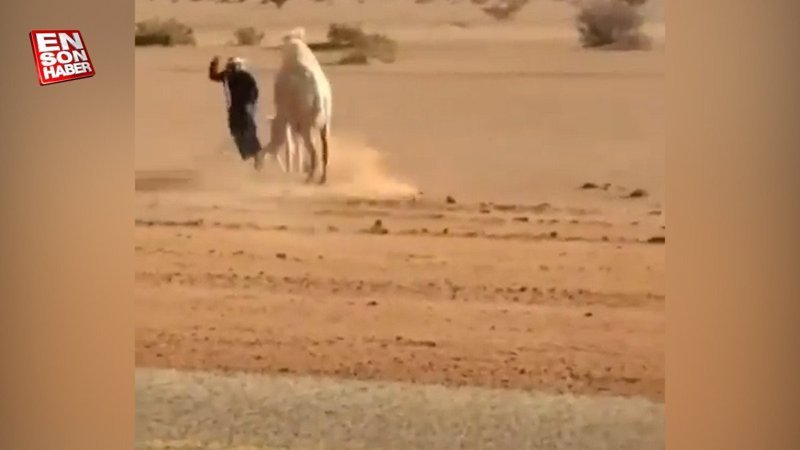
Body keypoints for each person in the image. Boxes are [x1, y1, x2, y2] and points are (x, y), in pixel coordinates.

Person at [208, 56, 263, 163]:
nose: (230, 68)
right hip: (234, 110)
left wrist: (250, 104)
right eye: (230, 66)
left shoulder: (246, 77)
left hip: (245, 110)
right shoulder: (227, 76)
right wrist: (213, 65)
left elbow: (254, 91)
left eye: (233, 66)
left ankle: (258, 157)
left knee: (248, 132)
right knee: (235, 132)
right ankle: (248, 157)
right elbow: (213, 76)